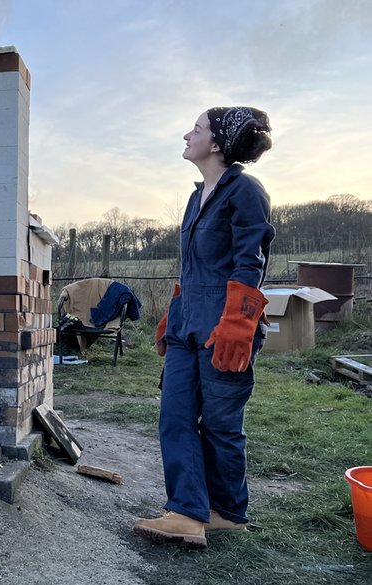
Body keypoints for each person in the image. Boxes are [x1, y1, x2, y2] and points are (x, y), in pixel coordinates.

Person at [134, 107, 275, 549]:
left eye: (195, 129)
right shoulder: (197, 197)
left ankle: (228, 513)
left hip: (225, 326)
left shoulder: (245, 191)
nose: (186, 134)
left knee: (219, 424)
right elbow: (196, 264)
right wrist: (175, 306)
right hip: (186, 324)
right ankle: (187, 511)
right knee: (174, 416)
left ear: (216, 143)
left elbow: (250, 259)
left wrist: (239, 320)